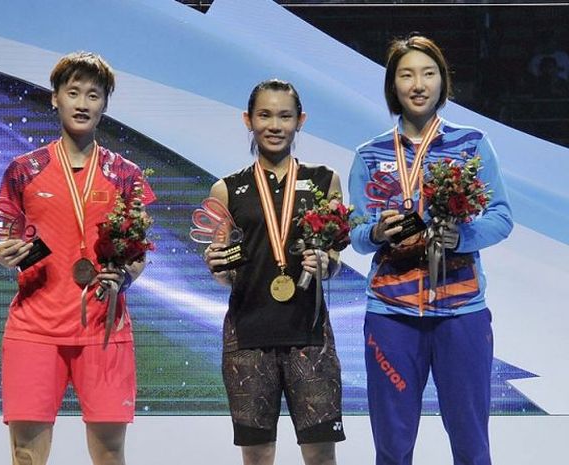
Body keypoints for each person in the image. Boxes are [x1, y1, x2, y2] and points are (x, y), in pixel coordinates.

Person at [348, 35, 513, 465]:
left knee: (471, 439)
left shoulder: (472, 143)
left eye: (428, 73)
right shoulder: (370, 154)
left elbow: (500, 216)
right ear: (393, 86)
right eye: (406, 75)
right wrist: (379, 232)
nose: (418, 83)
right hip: (391, 312)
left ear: (442, 82)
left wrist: (463, 237)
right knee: (392, 442)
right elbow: (357, 233)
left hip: (461, 311)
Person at [0, 51, 154, 465]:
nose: (82, 103)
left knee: (110, 453)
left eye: (94, 95)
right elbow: (5, 240)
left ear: (105, 104)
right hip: (34, 329)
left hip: (104, 328)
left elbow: (139, 251)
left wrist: (128, 277)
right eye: (73, 92)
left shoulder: (126, 175)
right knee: (26, 454)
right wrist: (4, 253)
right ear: (55, 99)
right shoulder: (24, 170)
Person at [204, 79, 346, 465]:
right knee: (257, 455)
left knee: (319, 454)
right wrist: (217, 265)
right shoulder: (226, 189)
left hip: (309, 336)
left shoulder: (323, 181)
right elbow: (223, 268)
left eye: (285, 116)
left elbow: (333, 255)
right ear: (247, 120)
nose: (275, 124)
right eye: (265, 115)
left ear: (300, 120)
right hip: (248, 339)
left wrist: (327, 262)